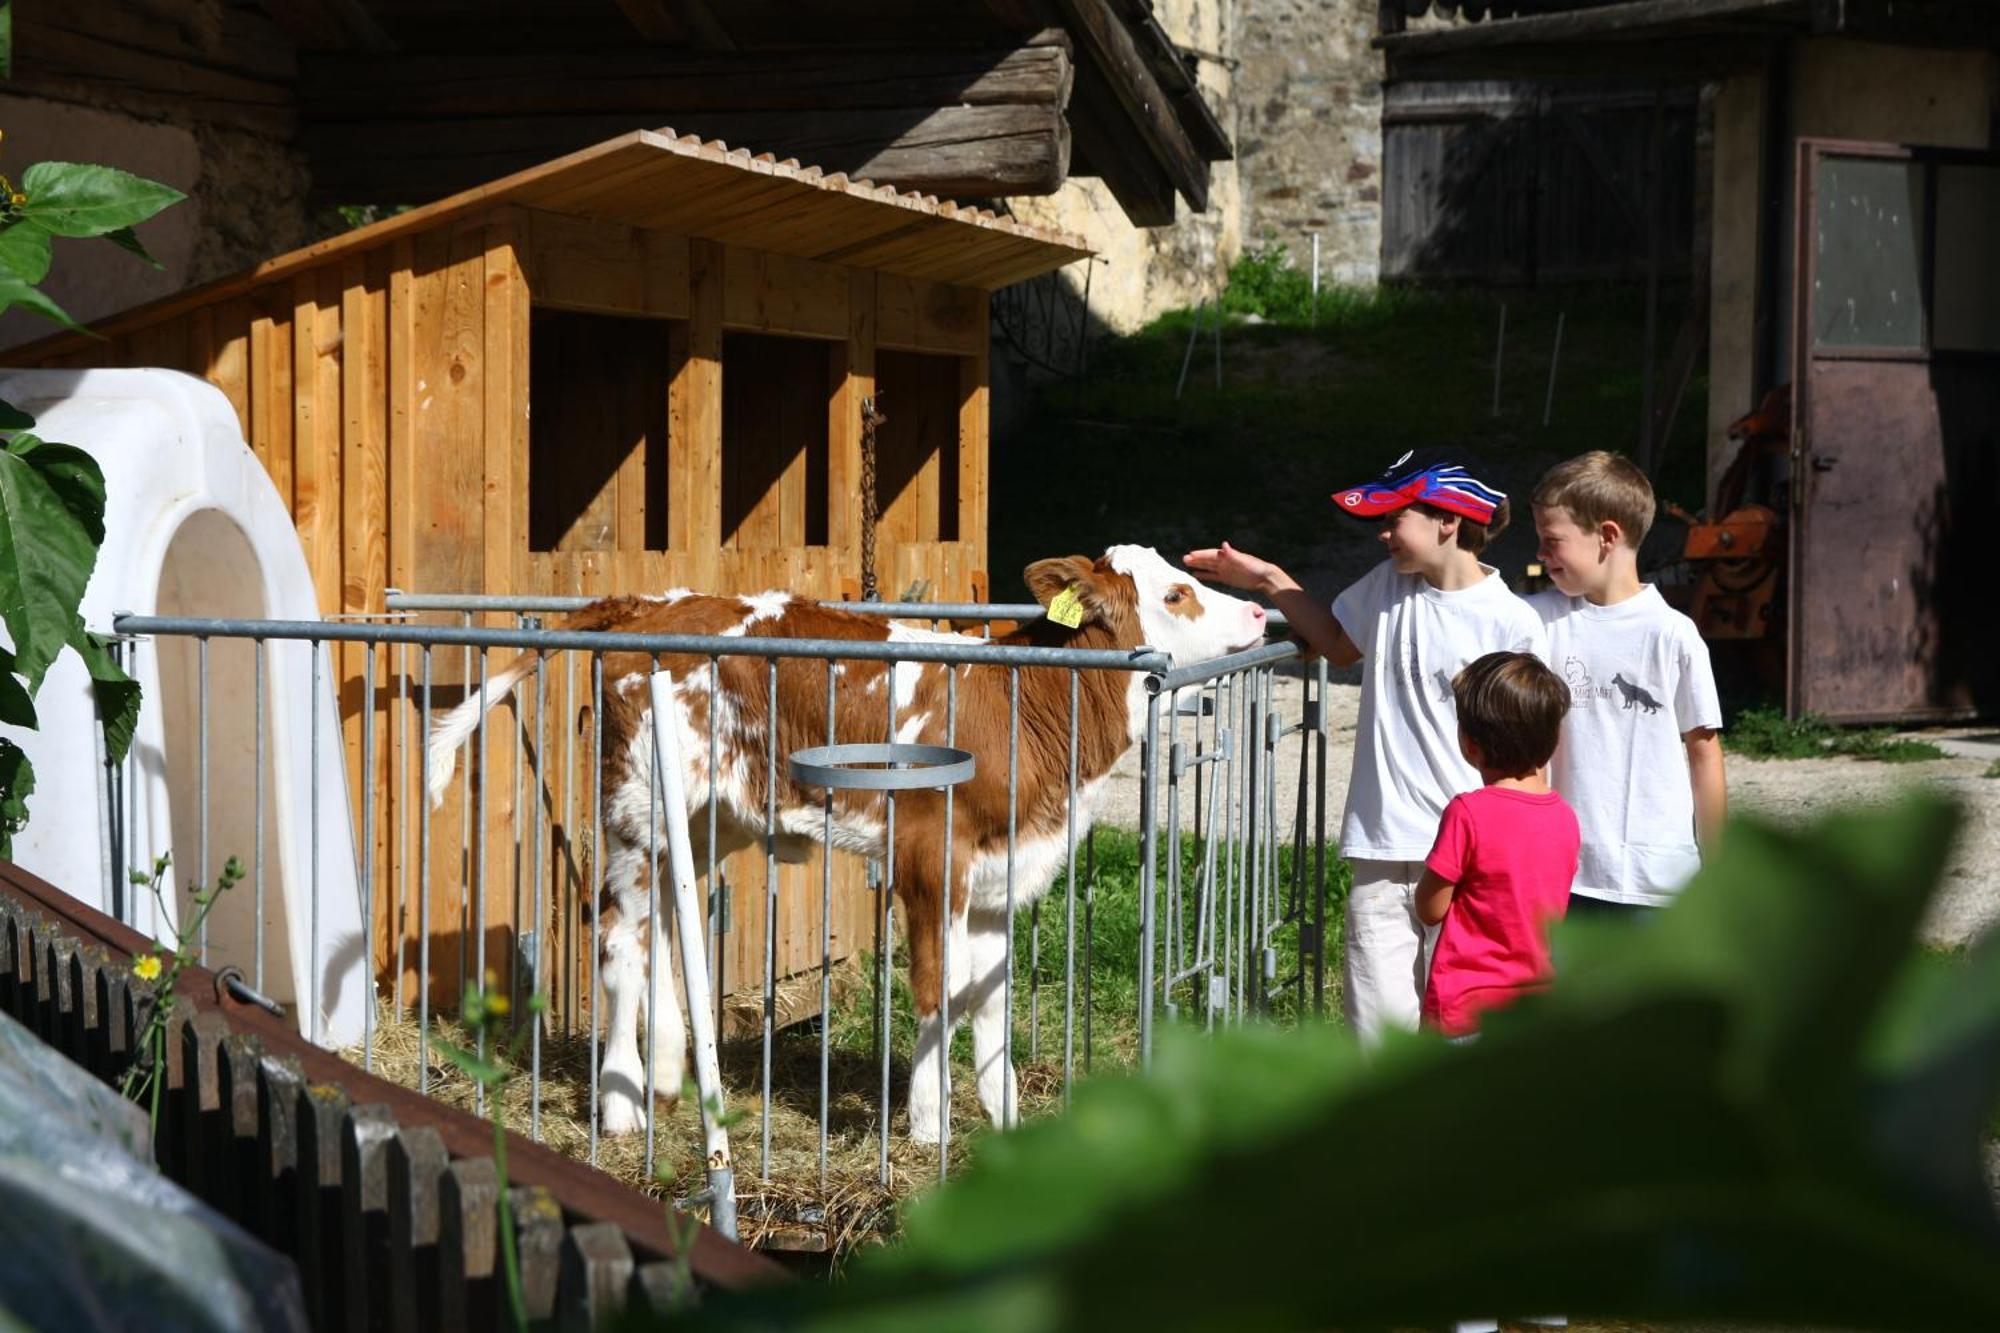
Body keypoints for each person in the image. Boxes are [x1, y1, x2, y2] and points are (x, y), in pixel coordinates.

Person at [1185, 448, 1545, 1043]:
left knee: (1464, 1023)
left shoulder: (1512, 622)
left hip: (1469, 854)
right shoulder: (1386, 586)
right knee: (1374, 1029)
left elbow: (1531, 754)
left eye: (1393, 518)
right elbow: (1336, 642)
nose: (1383, 534)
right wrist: (1271, 580)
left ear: (1447, 522)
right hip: (1381, 844)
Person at [1528, 450, 1726, 915]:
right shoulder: (1536, 620)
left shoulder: (1672, 634)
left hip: (1659, 885)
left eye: (1551, 540)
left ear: (1607, 536)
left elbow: (1704, 753)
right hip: (1564, 877)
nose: (1539, 554)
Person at [1415, 651, 1579, 1038]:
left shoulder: (1468, 813)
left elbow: (1430, 908)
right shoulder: (1564, 817)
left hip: (1465, 1011)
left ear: (1470, 745)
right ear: (1553, 740)